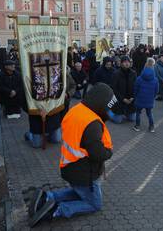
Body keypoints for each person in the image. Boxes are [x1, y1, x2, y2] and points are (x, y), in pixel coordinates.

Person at [28, 83, 117, 227]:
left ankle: (47, 197)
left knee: (79, 191)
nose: (108, 111)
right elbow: (97, 153)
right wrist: (109, 152)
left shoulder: (76, 110)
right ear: (100, 104)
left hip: (70, 167)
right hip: (84, 173)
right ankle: (56, 210)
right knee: (95, 204)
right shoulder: (92, 123)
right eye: (107, 107)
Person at [133, 58, 159, 132]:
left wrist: (136, 96)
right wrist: (152, 97)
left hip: (140, 99)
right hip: (149, 100)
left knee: (138, 112)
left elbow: (135, 89)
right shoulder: (155, 80)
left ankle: (137, 126)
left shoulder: (139, 79)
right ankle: (152, 127)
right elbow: (156, 91)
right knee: (149, 113)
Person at [109, 55, 137, 123]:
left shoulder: (133, 73)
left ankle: (125, 113)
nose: (127, 63)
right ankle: (108, 112)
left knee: (132, 119)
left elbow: (136, 86)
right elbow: (114, 89)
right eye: (124, 62)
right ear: (121, 63)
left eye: (128, 62)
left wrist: (133, 97)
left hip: (130, 100)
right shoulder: (116, 74)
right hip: (119, 100)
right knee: (118, 120)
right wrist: (123, 99)